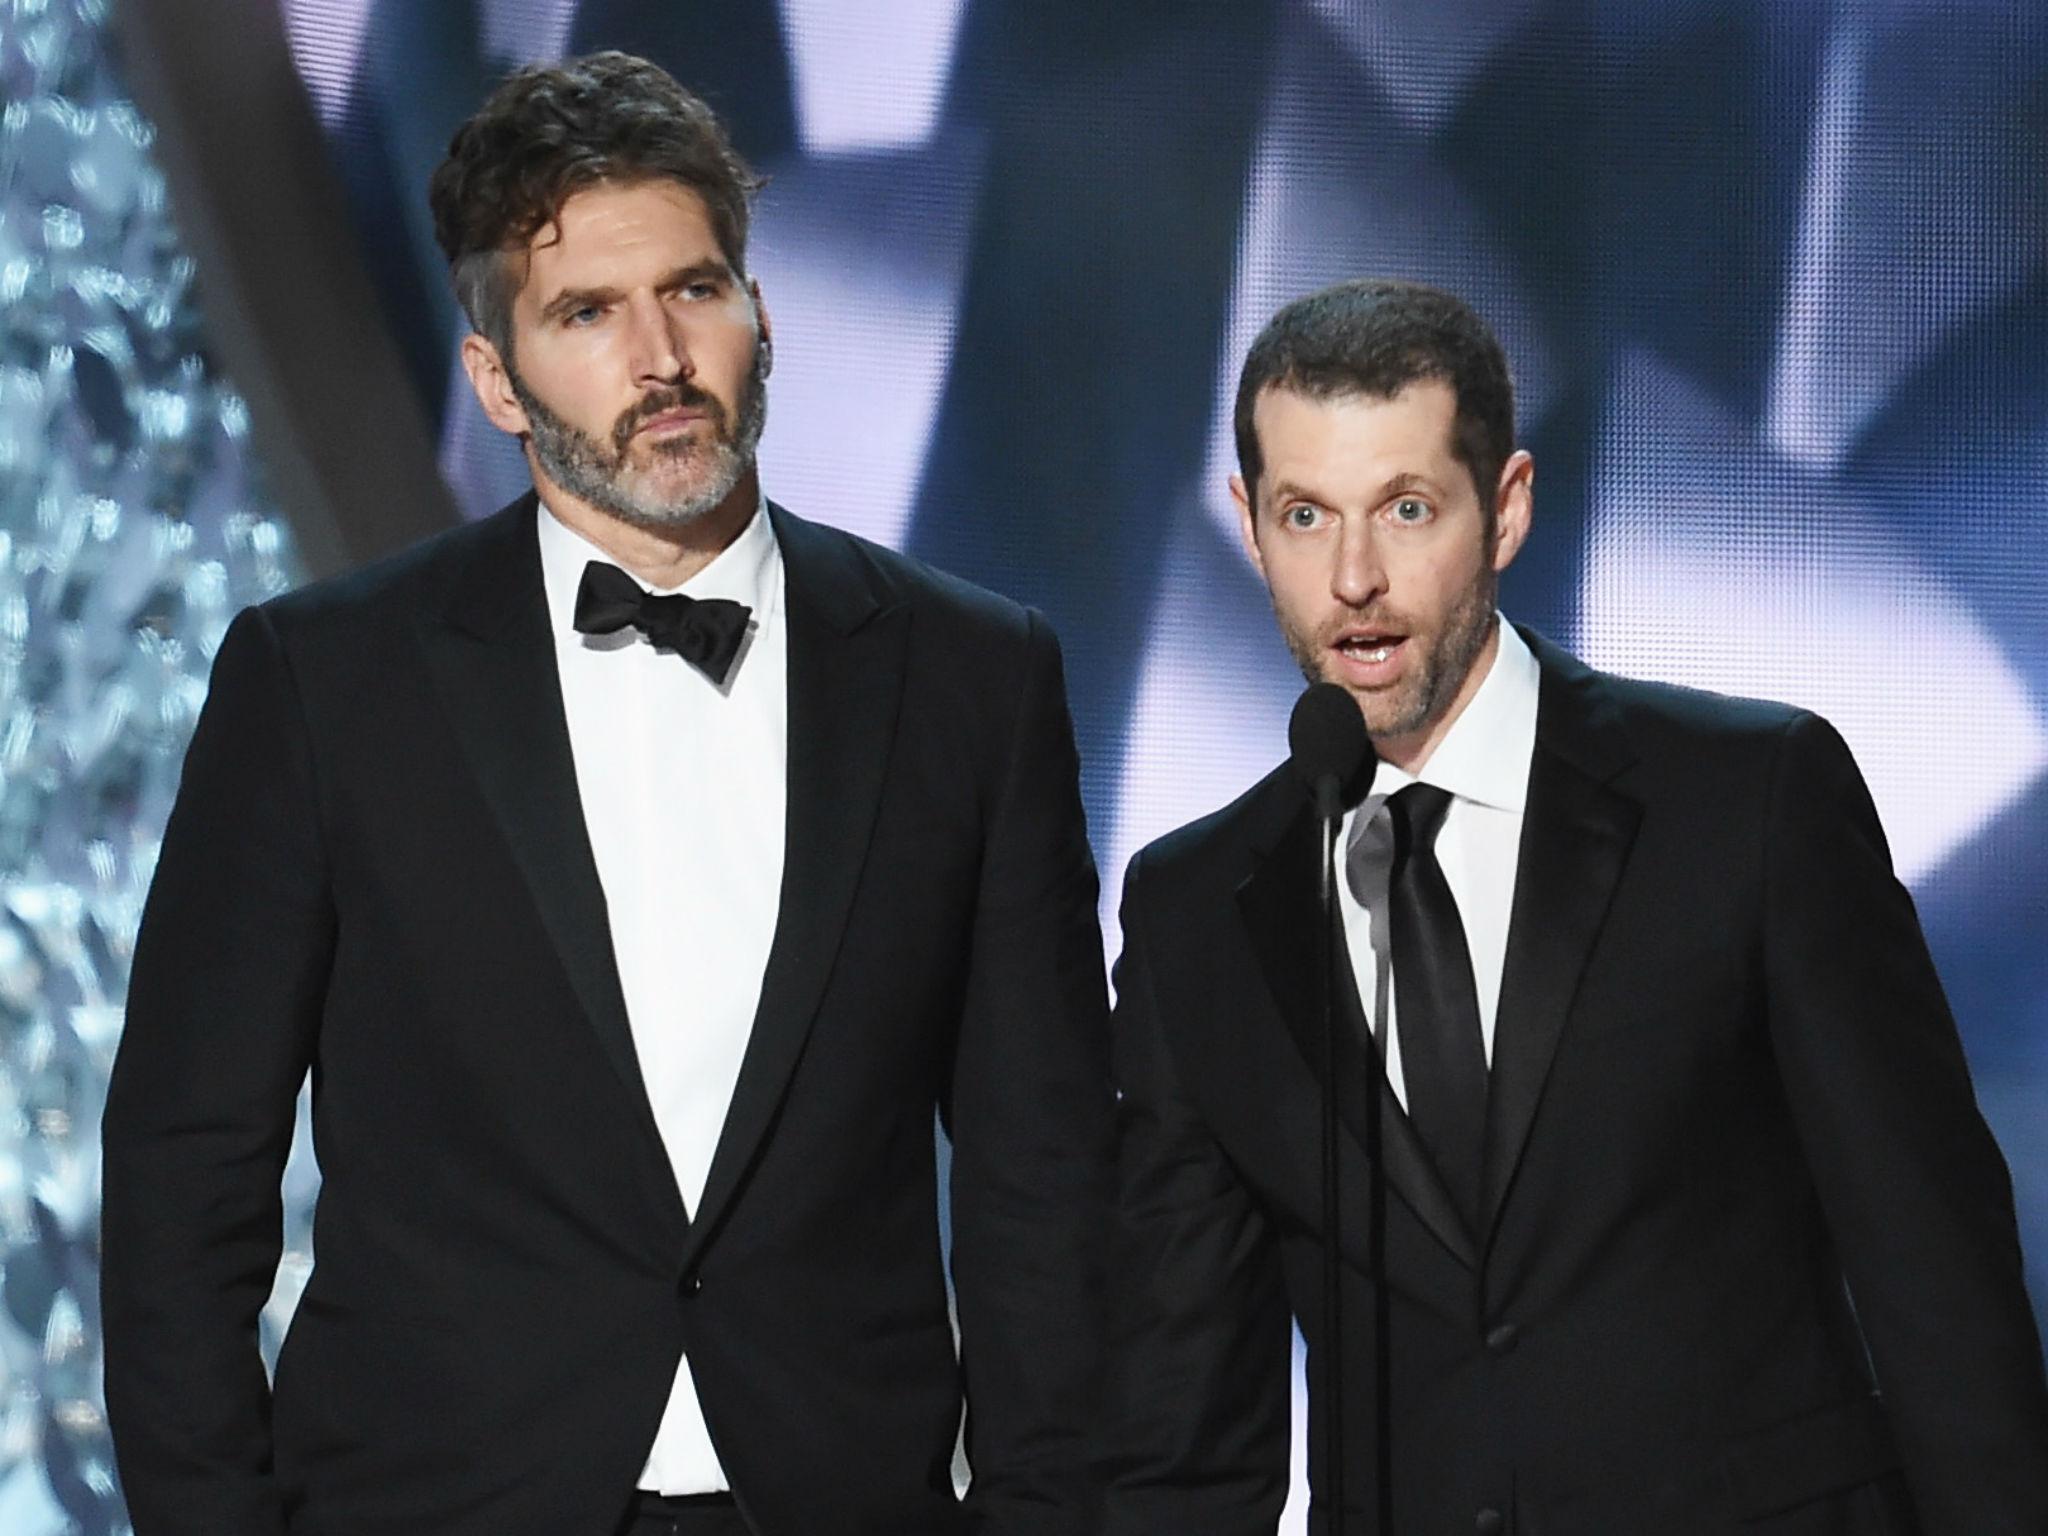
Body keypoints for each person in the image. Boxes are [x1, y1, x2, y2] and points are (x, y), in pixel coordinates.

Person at [102, 51, 1112, 1536]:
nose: (662, 359)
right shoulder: (327, 682)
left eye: (695, 290)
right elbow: (189, 1166)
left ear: (760, 314)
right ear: (496, 380)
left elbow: (1047, 1182)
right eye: (586, 312)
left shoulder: (971, 674)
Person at [1098, 278, 2048, 1534]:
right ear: (1247, 523)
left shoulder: (1746, 801)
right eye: (1303, 515)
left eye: (1405, 508)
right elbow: (1183, 1414)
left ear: (1506, 510)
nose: (1354, 579)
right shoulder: (1193, 911)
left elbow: (1935, 1276)